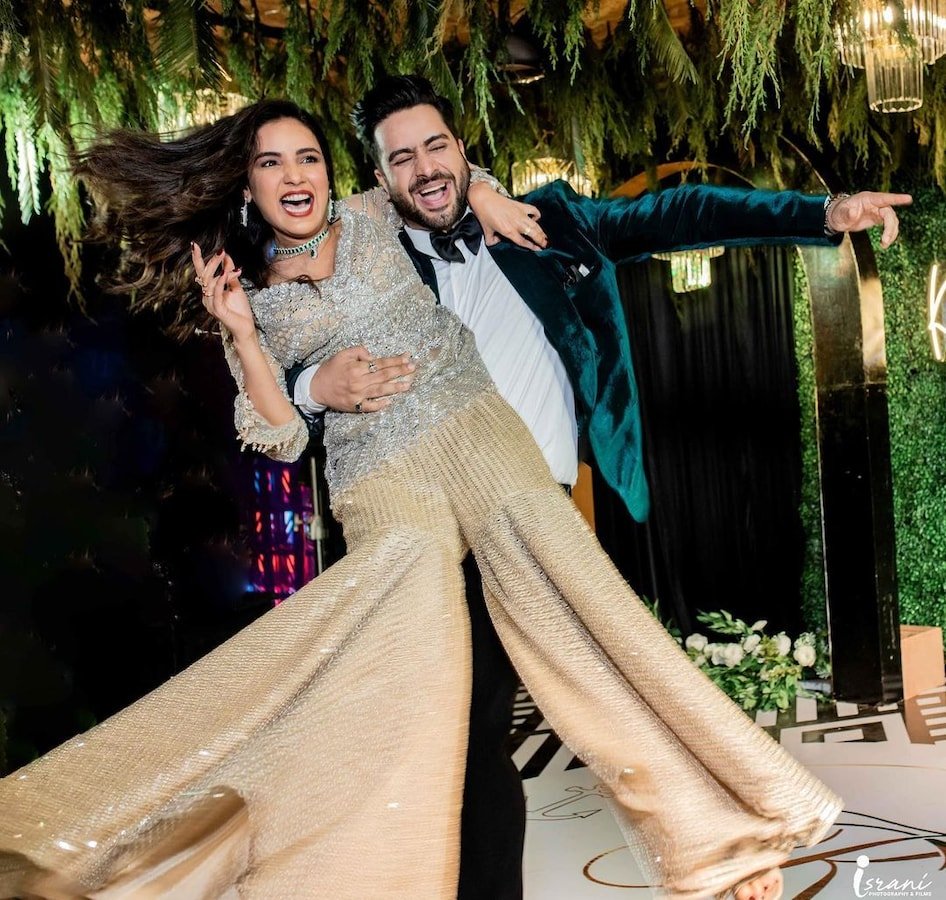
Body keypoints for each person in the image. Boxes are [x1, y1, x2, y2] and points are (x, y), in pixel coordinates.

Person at [0, 97, 887, 900]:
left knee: (590, 625)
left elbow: (644, 208)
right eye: (272, 163)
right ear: (250, 185)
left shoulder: (426, 215)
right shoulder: (259, 284)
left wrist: (821, 213)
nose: (295, 175)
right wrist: (286, 365)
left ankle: (722, 836)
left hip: (491, 446)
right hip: (383, 478)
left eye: (307, 157)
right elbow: (281, 433)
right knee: (416, 682)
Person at [284, 74, 913, 900]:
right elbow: (290, 328)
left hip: (532, 513)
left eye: (437, 147)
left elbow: (679, 214)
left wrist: (821, 213)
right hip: (431, 523)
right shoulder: (368, 257)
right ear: (377, 178)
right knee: (463, 732)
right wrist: (311, 385)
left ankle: (719, 840)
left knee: (565, 703)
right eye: (401, 158)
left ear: (464, 147)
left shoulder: (544, 223)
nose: (424, 167)